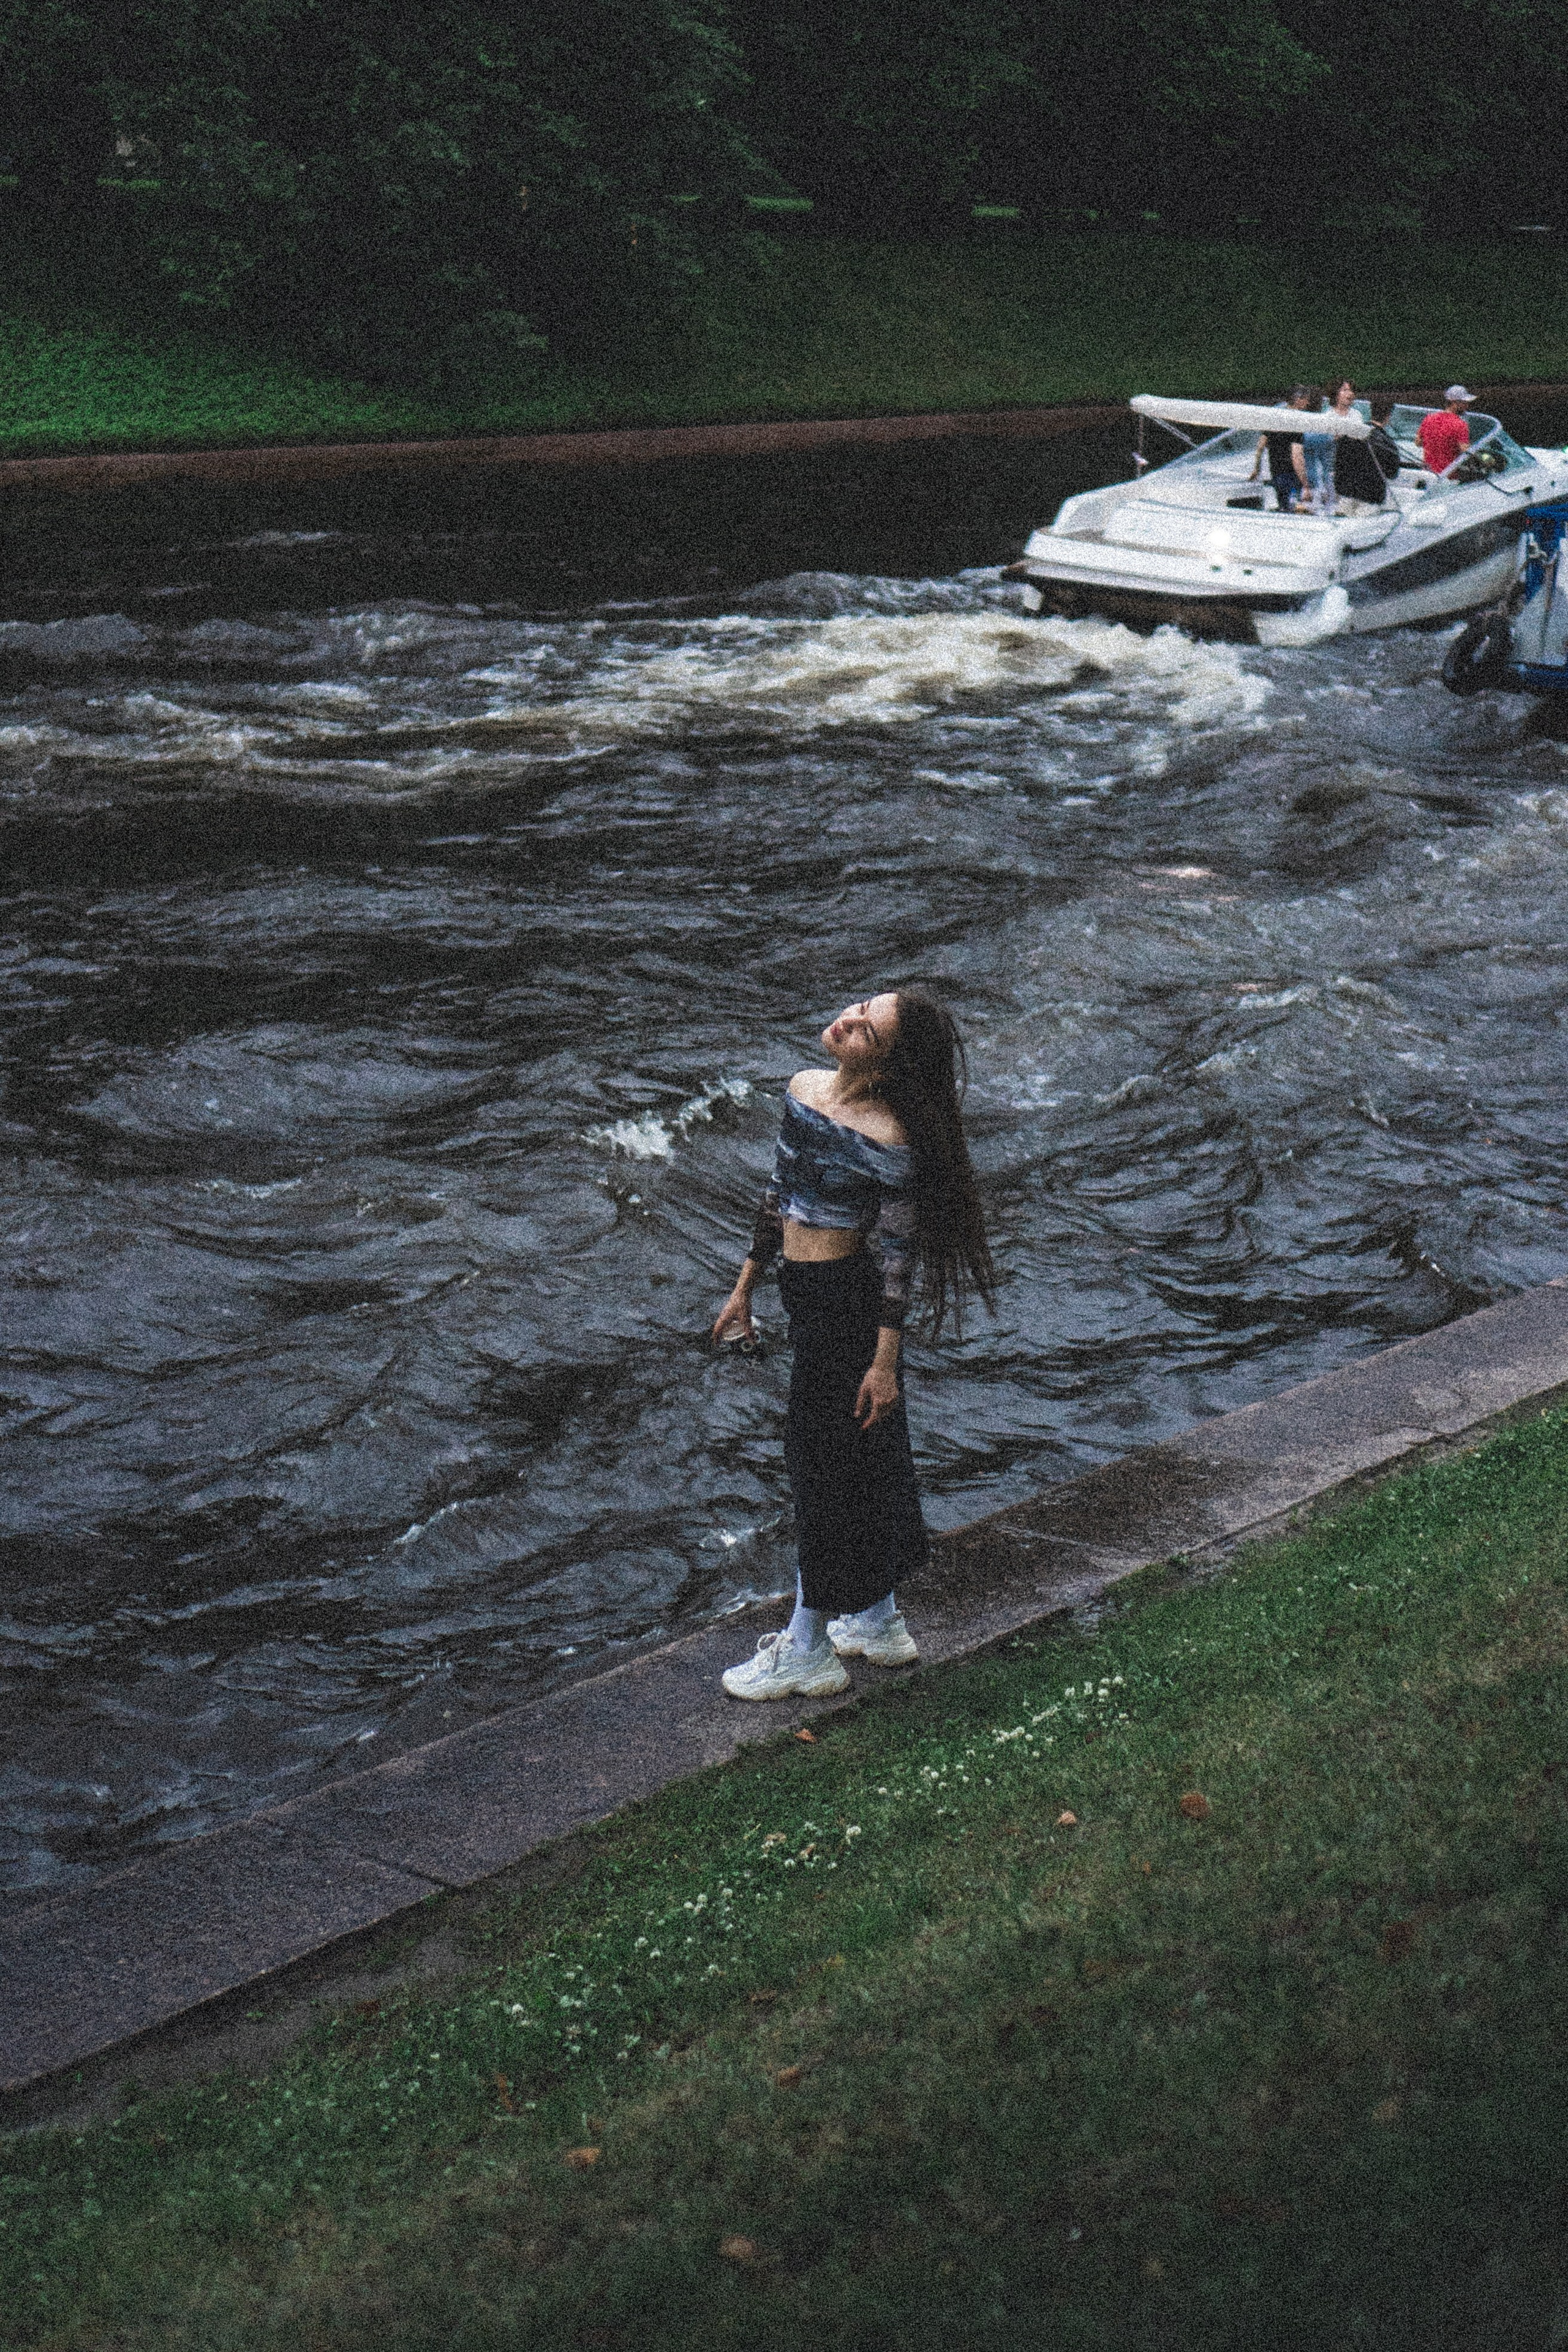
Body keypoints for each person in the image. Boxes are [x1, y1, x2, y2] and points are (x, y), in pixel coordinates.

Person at [713, 987, 995, 1700]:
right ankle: (877, 1620)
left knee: (822, 1469)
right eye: (860, 1008)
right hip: (803, 1294)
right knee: (864, 1458)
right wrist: (745, 1286)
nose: (847, 1021)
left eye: (867, 1030)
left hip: (848, 1305)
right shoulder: (804, 1091)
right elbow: (778, 1194)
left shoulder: (890, 1137)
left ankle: (806, 1649)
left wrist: (883, 1363)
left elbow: (898, 1255)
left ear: (889, 1063)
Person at [1249, 384, 1314, 511]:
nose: (1308, 402)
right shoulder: (1297, 422)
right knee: (1297, 511)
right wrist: (1306, 485)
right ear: (1298, 400)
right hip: (1292, 476)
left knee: (1284, 508)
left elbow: (1261, 446)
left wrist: (1256, 469)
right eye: (1306, 399)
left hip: (1277, 474)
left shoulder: (1275, 419)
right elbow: (1297, 456)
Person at [1330, 379, 1394, 508]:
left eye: (1351, 390)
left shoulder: (1356, 417)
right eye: (1345, 390)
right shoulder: (1328, 416)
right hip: (1341, 474)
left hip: (1350, 481)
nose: (1350, 394)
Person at [1293, 386, 1336, 516]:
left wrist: (1305, 485)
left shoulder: (1301, 427)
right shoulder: (1327, 428)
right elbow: (1331, 460)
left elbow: (1297, 458)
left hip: (1309, 484)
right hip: (1327, 484)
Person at [1417, 385, 1474, 479]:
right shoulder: (1461, 424)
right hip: (1448, 477)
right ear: (1455, 403)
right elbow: (1466, 452)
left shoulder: (1429, 418)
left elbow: (1418, 443)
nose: (1467, 406)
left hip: (1428, 475)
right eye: (1465, 403)